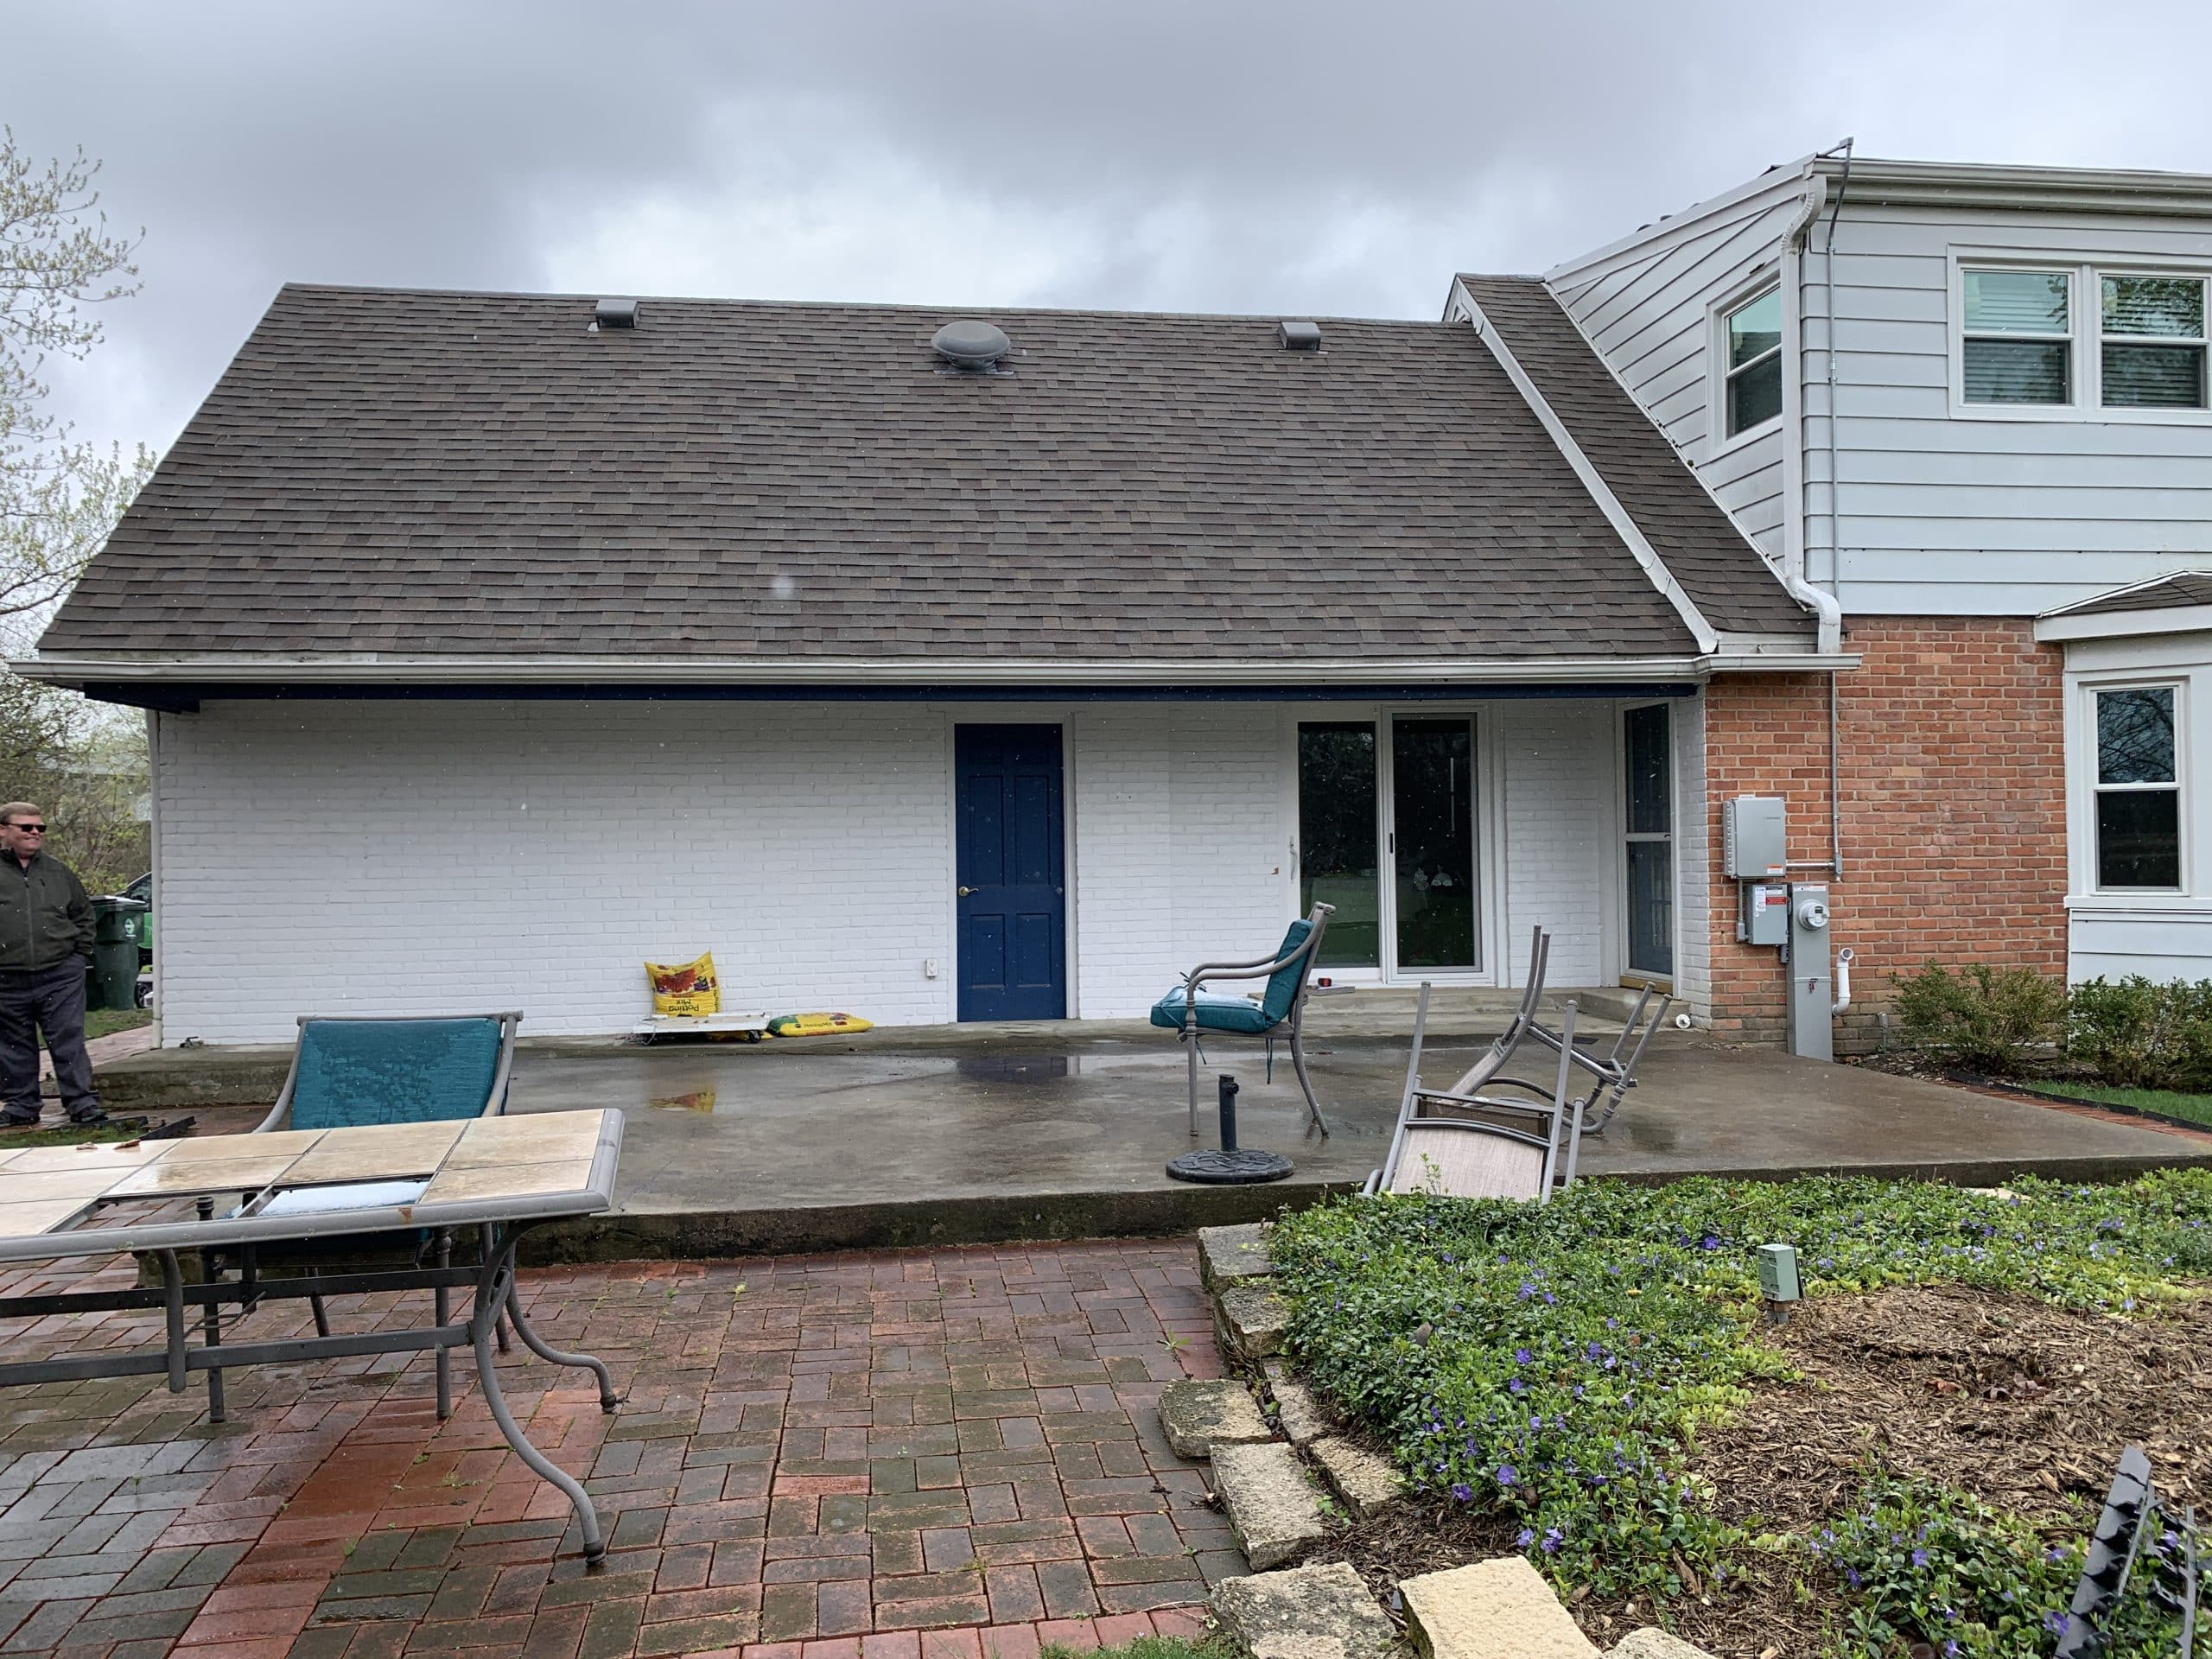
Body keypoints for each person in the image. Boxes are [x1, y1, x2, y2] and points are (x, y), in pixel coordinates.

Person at [0, 803, 104, 1128]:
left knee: (68, 1038)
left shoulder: (58, 872)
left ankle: (82, 1104)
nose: (35, 833)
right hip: (7, 977)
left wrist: (79, 956)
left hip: (60, 973)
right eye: (26, 827)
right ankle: (20, 1106)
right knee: (13, 1044)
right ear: (4, 831)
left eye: (40, 828)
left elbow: (83, 915)